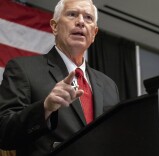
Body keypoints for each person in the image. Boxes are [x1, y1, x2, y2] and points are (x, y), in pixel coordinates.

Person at [0, 0, 120, 155]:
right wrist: (45, 108)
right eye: (72, 14)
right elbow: (4, 132)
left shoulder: (109, 85)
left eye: (88, 18)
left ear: (94, 33)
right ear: (54, 26)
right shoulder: (24, 70)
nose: (81, 22)